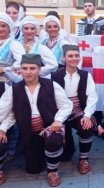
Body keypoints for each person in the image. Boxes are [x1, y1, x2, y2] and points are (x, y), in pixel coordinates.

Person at [0, 54, 73, 186]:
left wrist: (58, 120)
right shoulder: (13, 90)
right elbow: (5, 112)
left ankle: (53, 171)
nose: (28, 72)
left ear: (39, 69)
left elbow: (67, 105)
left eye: (32, 68)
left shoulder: (51, 85)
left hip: (50, 128)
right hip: (29, 133)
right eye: (25, 68)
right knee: (33, 169)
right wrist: (2, 129)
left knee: (53, 140)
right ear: (20, 70)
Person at [51, 45, 97, 174]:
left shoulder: (85, 75)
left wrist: (87, 115)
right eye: (70, 56)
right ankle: (66, 146)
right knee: (66, 156)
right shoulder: (54, 76)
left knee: (86, 127)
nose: (74, 58)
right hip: (60, 113)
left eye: (76, 56)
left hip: (78, 111)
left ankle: (84, 159)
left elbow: (92, 97)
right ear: (64, 58)